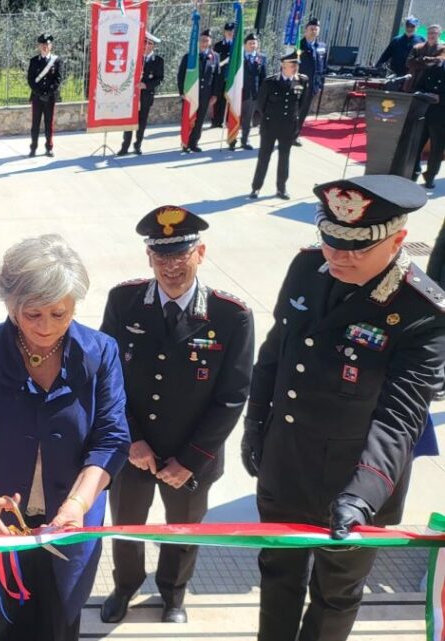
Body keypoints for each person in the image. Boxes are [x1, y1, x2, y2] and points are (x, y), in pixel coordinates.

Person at [242, 175, 445, 641]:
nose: (338, 256)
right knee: (277, 579)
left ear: (397, 240)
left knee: (336, 595)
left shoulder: (422, 312)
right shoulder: (307, 269)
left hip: (357, 479)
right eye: (331, 241)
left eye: (355, 247)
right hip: (286, 463)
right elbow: (274, 356)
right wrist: (256, 430)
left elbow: (399, 418)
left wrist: (360, 495)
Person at [0, 235, 130, 641]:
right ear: (9, 306)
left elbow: (111, 438)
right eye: (32, 314)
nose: (46, 328)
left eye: (60, 314)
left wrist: (78, 502)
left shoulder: (102, 352)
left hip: (70, 519)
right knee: (12, 622)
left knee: (62, 620)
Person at [99, 207, 254, 625]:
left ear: (200, 253)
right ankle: (125, 586)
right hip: (134, 449)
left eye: (181, 255)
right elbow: (108, 377)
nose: (171, 266)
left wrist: (191, 459)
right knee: (126, 526)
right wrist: (130, 439)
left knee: (183, 530)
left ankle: (173, 593)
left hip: (193, 455)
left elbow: (233, 395)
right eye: (161, 256)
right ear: (149, 257)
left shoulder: (229, 315)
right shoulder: (124, 301)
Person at [249, 50, 308, 200]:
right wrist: (265, 122)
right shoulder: (270, 82)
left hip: (288, 127)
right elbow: (260, 105)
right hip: (270, 126)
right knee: (264, 157)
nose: (295, 67)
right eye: (292, 64)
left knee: (284, 158)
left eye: (296, 65)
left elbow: (301, 105)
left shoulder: (302, 81)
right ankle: (256, 187)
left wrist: (295, 123)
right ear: (283, 65)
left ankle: (281, 189)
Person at [409, 25, 445, 189]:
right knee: (416, 143)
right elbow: (421, 85)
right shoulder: (435, 67)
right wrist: (424, 94)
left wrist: (440, 97)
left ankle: (430, 177)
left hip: (441, 113)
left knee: (437, 148)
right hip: (425, 110)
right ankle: (413, 173)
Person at [119, 33, 164, 156]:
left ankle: (137, 145)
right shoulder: (134, 57)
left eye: (149, 43)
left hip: (146, 96)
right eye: (144, 42)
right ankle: (124, 147)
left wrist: (146, 85)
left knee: (142, 122)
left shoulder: (158, 60)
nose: (146, 45)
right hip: (132, 96)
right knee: (129, 121)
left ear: (153, 46)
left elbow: (159, 79)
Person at [177, 30, 221, 153]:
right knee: (188, 118)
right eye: (202, 40)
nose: (204, 43)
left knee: (200, 119)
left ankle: (194, 143)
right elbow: (181, 75)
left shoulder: (215, 57)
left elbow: (217, 78)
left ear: (211, 42)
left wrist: (215, 95)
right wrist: (181, 91)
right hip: (191, 93)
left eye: (207, 40)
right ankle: (185, 143)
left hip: (205, 95)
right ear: (198, 41)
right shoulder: (189, 56)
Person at [27, 33, 64, 158]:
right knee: (35, 124)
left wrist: (48, 93)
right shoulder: (33, 61)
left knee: (49, 123)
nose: (44, 46)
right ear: (39, 45)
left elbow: (58, 79)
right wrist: (39, 93)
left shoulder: (56, 61)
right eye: (42, 44)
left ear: (51, 46)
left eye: (47, 44)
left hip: (50, 98)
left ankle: (49, 148)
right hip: (37, 97)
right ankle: (33, 148)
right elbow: (30, 79)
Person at [296, 18, 328, 144]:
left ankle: (295, 135)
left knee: (303, 111)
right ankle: (286, 133)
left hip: (313, 86)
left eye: (316, 29)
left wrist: (320, 84)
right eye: (311, 29)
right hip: (299, 84)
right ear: (306, 30)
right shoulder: (298, 45)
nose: (313, 31)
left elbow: (324, 67)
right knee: (293, 111)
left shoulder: (322, 46)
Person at [237, 33, 267, 151]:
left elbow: (263, 77)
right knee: (235, 117)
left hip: (253, 93)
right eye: (250, 43)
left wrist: (263, 93)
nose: (252, 45)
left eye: (254, 43)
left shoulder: (261, 58)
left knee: (247, 119)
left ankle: (245, 140)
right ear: (245, 45)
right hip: (239, 92)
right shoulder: (238, 58)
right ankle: (232, 140)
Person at [210, 23, 236, 128]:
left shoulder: (237, 46)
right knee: (218, 98)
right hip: (220, 77)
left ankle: (228, 120)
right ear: (224, 32)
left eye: (232, 31)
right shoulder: (218, 45)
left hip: (232, 76)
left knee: (230, 100)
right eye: (227, 31)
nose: (230, 33)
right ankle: (217, 121)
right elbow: (215, 61)